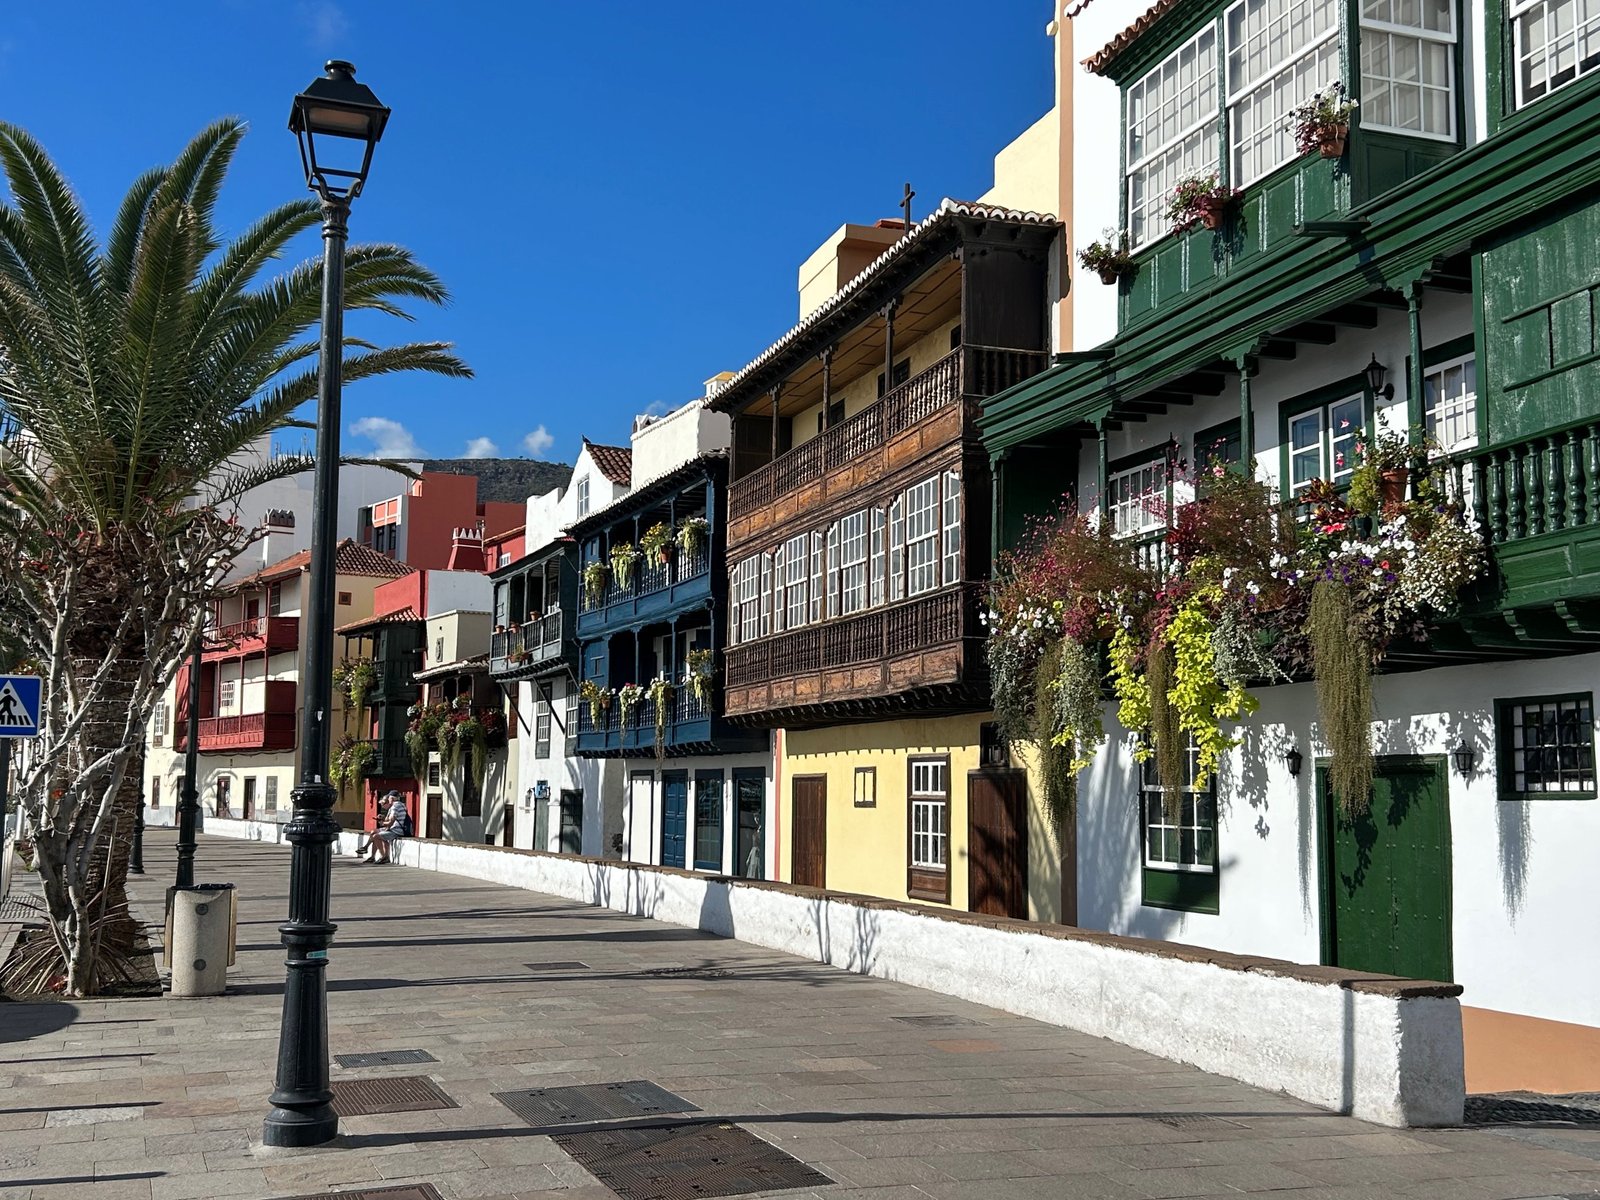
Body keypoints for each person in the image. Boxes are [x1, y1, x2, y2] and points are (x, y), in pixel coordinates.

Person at [372, 792, 412, 864]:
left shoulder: (395, 807)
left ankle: (383, 856)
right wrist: (384, 819)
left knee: (376, 836)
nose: (388, 799)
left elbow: (391, 822)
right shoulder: (402, 805)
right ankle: (384, 856)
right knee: (378, 834)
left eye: (389, 798)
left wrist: (383, 823)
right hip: (398, 829)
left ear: (392, 798)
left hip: (397, 831)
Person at [354, 794, 390, 860]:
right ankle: (371, 855)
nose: (382, 806)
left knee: (375, 836)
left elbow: (391, 822)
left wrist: (383, 821)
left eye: (383, 804)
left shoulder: (393, 809)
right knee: (373, 833)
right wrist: (383, 818)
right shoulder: (389, 810)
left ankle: (380, 855)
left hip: (391, 829)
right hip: (388, 827)